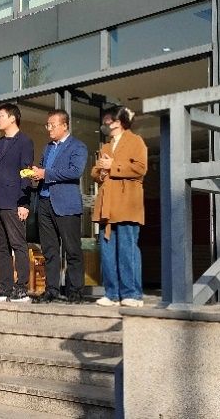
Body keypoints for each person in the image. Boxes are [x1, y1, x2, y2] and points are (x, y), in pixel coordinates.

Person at [92, 106, 147, 308]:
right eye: (106, 120)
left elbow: (141, 168)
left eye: (111, 119)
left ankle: (132, 294)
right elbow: (95, 171)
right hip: (107, 206)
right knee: (107, 252)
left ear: (121, 121)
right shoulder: (106, 146)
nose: (107, 123)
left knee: (127, 250)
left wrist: (112, 166)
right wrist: (102, 172)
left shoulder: (136, 141)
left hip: (127, 204)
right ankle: (112, 293)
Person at [30, 109, 88, 304]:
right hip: (44, 202)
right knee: (49, 250)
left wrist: (46, 173)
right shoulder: (47, 148)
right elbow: (43, 170)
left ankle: (76, 291)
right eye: (47, 125)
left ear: (64, 125)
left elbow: (75, 171)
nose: (49, 129)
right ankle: (51, 290)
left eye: (52, 125)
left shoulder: (78, 146)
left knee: (72, 250)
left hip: (66, 205)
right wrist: (36, 174)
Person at [0, 103, 33, 302]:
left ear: (12, 118)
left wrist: (24, 202)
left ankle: (21, 288)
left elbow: (26, 172)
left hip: (13, 201)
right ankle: (5, 287)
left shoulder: (24, 142)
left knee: (18, 244)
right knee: (1, 246)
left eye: (0, 116)